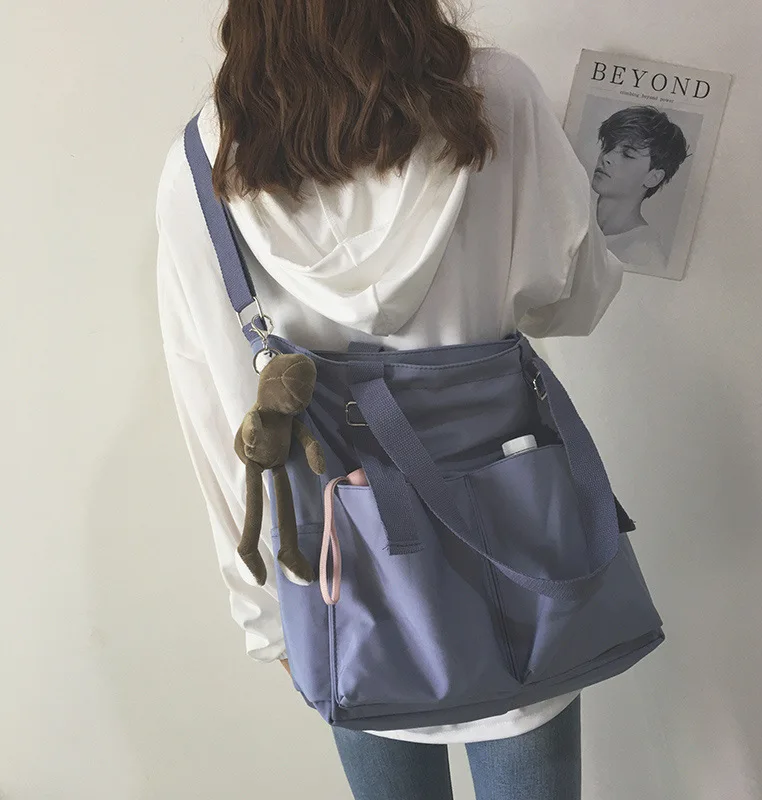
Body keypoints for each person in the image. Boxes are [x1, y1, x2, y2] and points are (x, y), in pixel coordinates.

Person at [155, 3, 623, 798]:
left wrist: (266, 618)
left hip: (344, 587)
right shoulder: (496, 98)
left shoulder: (203, 166)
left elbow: (226, 417)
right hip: (512, 552)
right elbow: (575, 299)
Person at [591, 105, 690, 271]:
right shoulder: (576, 221)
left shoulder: (646, 256)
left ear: (653, 178)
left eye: (627, 154)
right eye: (608, 146)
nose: (606, 157)